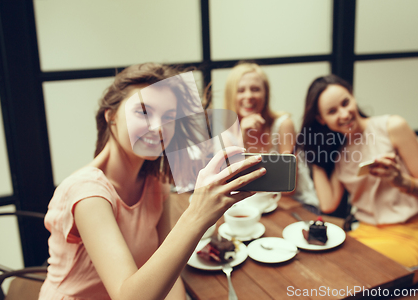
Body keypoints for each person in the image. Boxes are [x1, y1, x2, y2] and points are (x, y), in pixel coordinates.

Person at [39, 63, 265, 300]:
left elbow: (169, 267)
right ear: (111, 116)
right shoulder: (87, 193)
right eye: (143, 112)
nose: (159, 127)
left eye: (169, 117)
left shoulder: (156, 183)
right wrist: (197, 214)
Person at [299, 74, 418, 283]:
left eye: (346, 103)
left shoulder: (392, 127)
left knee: (353, 278)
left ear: (353, 97)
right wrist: (313, 154)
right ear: (321, 119)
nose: (344, 114)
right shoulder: (340, 152)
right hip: (365, 233)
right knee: (320, 272)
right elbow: (328, 204)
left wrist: (401, 180)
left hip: (406, 232)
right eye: (332, 111)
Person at [223, 62, 320, 208]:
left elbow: (289, 188)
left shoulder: (283, 125)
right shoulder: (228, 134)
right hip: (253, 204)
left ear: (265, 94)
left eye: (255, 89)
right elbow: (232, 185)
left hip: (295, 203)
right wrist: (242, 136)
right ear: (231, 95)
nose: (248, 96)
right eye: (241, 90)